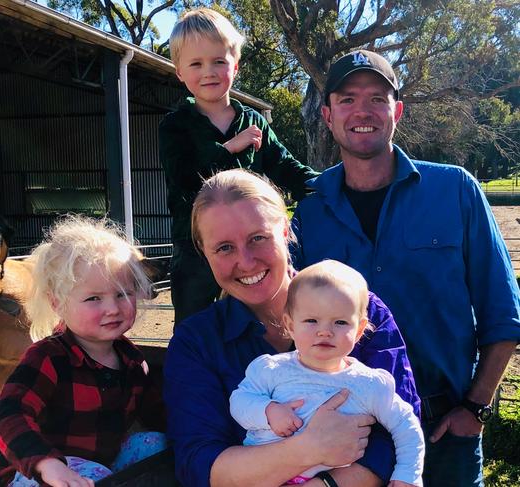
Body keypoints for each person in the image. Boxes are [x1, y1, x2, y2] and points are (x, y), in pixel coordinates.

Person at [290, 49, 520, 487]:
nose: (363, 111)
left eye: (377, 98)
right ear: (327, 115)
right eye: (347, 99)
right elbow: (284, 314)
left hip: (444, 430)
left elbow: (503, 313)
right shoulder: (311, 208)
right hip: (348, 439)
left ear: (396, 111)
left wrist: (474, 407)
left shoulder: (455, 190)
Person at [164, 169, 420, 487]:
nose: (246, 261)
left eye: (258, 238)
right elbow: (200, 463)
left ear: (285, 230)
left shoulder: (360, 310)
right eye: (224, 248)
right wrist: (306, 449)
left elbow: (399, 432)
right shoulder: (197, 343)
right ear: (205, 253)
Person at [159, 8, 318, 326]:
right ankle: (193, 374)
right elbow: (186, 179)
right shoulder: (175, 126)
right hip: (197, 249)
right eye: (196, 64)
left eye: (219, 61)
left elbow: (284, 166)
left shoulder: (253, 121)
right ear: (179, 72)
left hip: (252, 244)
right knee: (194, 323)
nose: (209, 72)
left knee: (268, 317)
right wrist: (231, 148)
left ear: (236, 64)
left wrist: (330, 184)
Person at [0, 216, 167, 487]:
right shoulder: (48, 358)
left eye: (122, 294)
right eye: (93, 298)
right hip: (34, 472)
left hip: (97, 467)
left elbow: (158, 414)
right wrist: (44, 462)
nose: (112, 308)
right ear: (57, 304)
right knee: (95, 476)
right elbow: (8, 413)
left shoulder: (132, 361)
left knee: (158, 443)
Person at [230, 260, 424, 486]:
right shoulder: (271, 369)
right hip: (265, 476)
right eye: (311, 321)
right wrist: (268, 410)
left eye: (340, 322)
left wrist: (407, 474)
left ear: (360, 330)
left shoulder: (369, 384)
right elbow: (240, 401)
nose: (325, 332)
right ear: (290, 325)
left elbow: (406, 426)